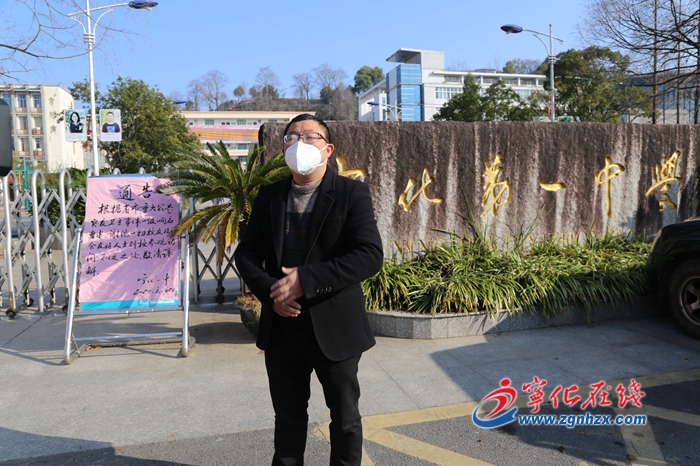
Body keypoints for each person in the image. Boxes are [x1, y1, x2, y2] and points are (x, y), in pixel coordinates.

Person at [234, 114, 383, 466]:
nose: (299, 143)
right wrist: (273, 292)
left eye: (309, 136)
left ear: (327, 149)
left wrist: (307, 280)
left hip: (335, 327)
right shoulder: (270, 196)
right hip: (282, 327)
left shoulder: (351, 193)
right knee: (288, 419)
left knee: (345, 420)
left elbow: (369, 255)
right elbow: (246, 253)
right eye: (291, 137)